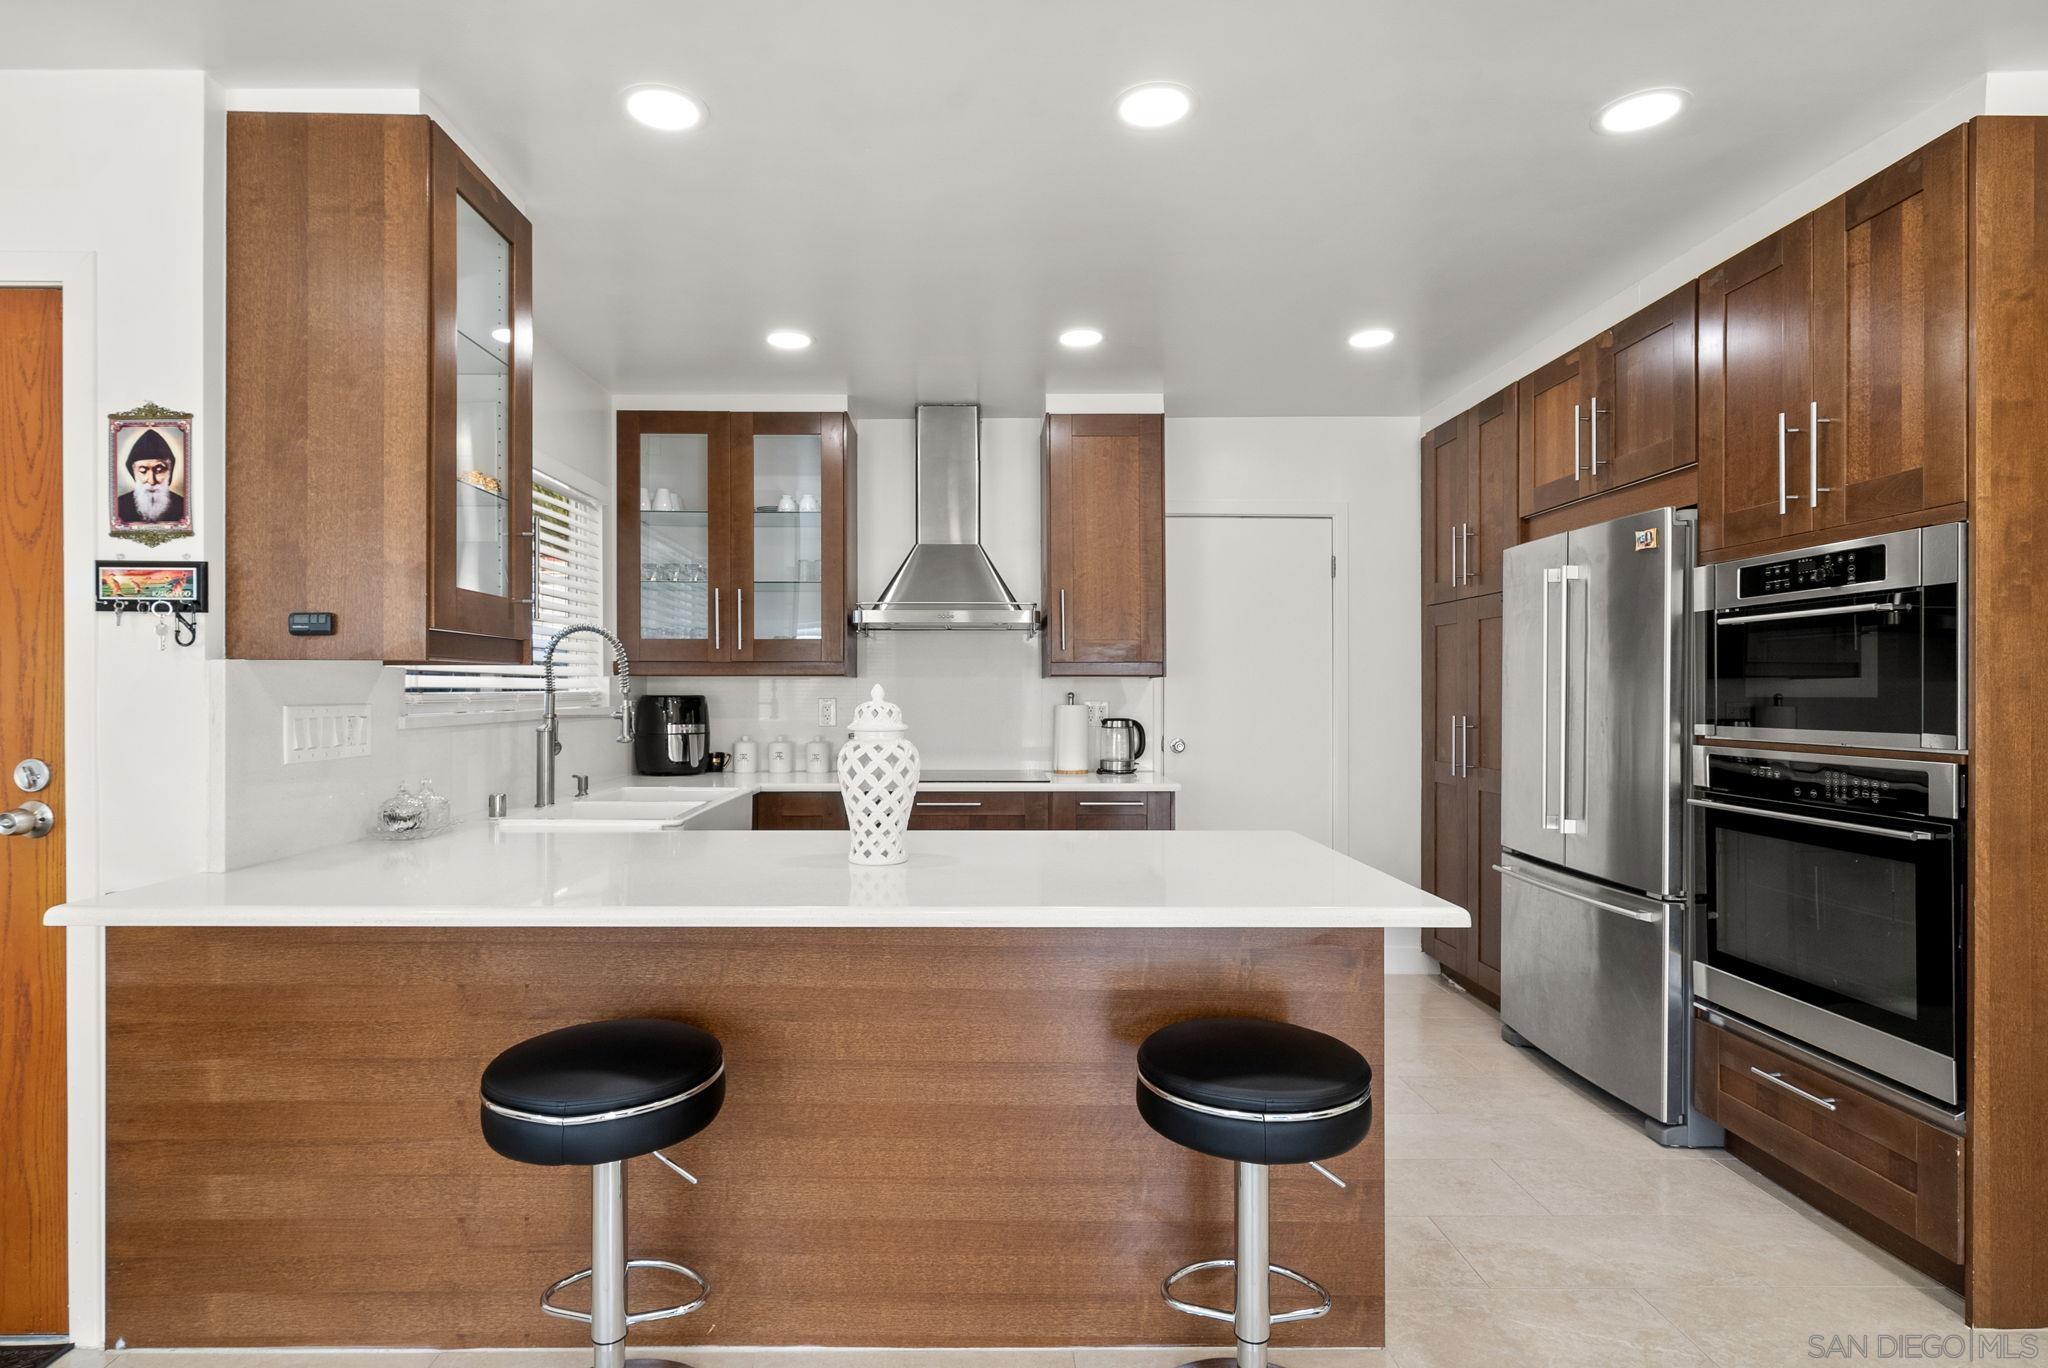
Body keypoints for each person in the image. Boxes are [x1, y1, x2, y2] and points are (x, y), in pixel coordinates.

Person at [117, 428, 185, 525]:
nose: (151, 481)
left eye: (159, 470)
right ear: (133, 473)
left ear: (170, 472)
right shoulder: (119, 505)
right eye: (143, 471)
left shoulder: (183, 506)